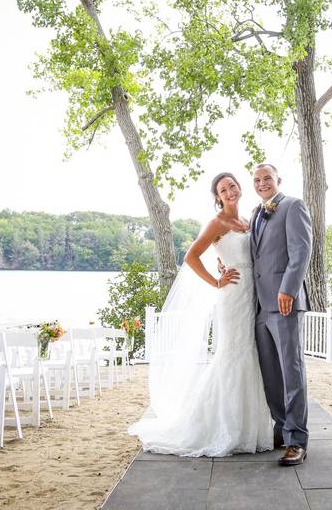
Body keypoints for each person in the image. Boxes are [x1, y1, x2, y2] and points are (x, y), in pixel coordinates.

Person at [127, 172, 273, 457]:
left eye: (232, 186)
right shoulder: (216, 223)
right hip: (232, 296)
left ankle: (249, 428)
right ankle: (220, 427)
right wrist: (216, 280)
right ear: (217, 197)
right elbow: (191, 257)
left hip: (253, 294)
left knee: (250, 354)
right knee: (232, 354)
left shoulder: (248, 220)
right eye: (223, 189)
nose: (229, 191)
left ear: (239, 188)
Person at [249, 163, 313, 466]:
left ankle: (297, 440)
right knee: (271, 376)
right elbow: (255, 257)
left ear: (278, 180)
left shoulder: (292, 206)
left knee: (292, 372)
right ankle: (281, 429)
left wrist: (288, 289)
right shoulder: (255, 213)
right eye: (257, 179)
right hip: (260, 306)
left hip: (284, 302)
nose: (262, 183)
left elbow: (301, 250)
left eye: (267, 178)